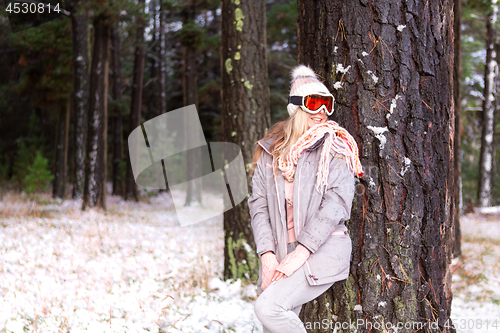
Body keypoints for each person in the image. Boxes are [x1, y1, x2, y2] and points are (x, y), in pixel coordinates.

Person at [248, 65, 363, 333]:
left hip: (320, 250)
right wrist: (267, 256)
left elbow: (336, 206)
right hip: (279, 251)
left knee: (268, 309)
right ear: (297, 108)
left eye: (327, 104)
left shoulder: (335, 148)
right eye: (315, 103)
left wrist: (300, 254)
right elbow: (259, 205)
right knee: (271, 326)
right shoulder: (271, 151)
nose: (322, 110)